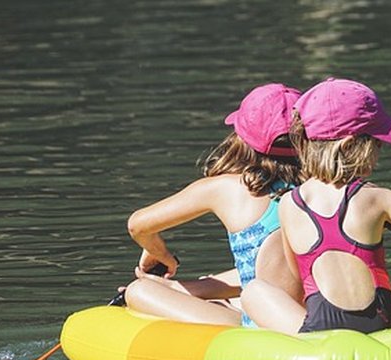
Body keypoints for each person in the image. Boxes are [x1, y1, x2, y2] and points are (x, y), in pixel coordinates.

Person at [242, 78, 391, 334]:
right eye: (376, 143)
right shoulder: (379, 197)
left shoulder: (289, 203)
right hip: (381, 325)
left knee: (254, 292)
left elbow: (298, 275)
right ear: (351, 146)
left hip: (320, 330)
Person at [123, 83, 304, 326]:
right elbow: (281, 273)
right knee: (220, 286)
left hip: (262, 326)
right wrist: (181, 287)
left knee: (138, 291)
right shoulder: (322, 188)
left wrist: (159, 253)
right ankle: (195, 290)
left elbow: (138, 225)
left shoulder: (225, 188)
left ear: (241, 138)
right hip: (304, 315)